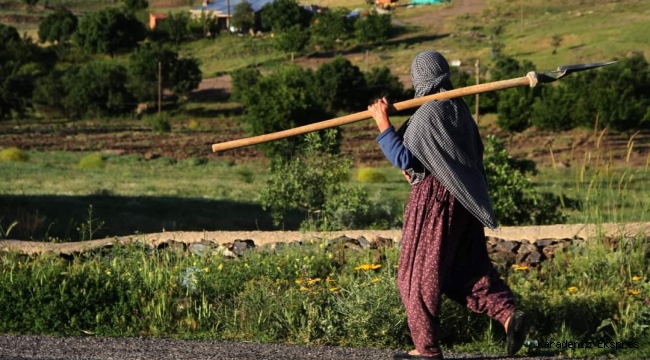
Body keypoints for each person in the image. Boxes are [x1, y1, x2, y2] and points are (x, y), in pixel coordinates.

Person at [367, 51, 529, 360]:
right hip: (463, 199)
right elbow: (423, 160)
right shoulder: (459, 111)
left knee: (415, 275)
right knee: (462, 271)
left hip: (435, 200)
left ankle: (425, 349)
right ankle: (508, 316)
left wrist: (382, 122)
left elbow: (404, 159)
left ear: (419, 78)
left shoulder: (430, 113)